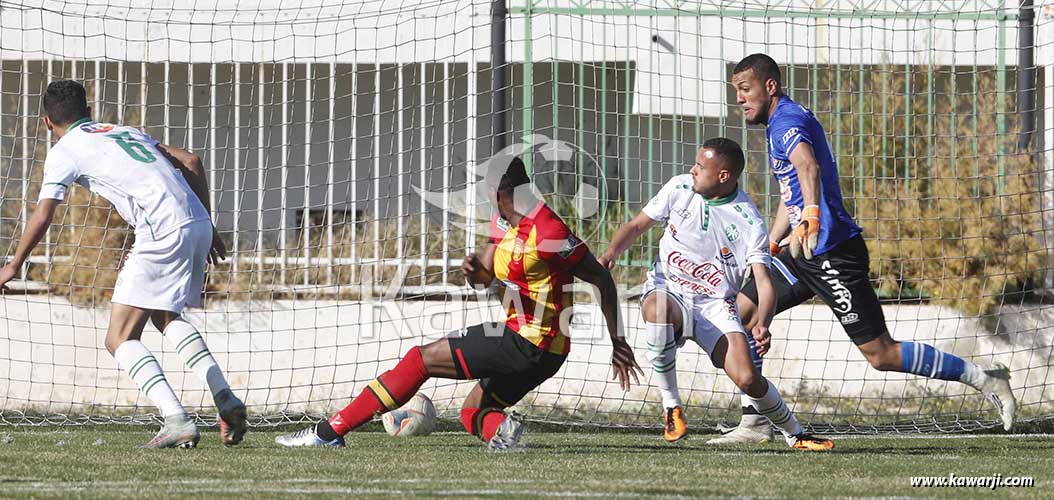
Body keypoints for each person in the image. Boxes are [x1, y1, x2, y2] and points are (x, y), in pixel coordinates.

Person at [712, 53, 1016, 444]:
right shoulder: (777, 123)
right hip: (801, 252)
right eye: (736, 90)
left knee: (882, 355)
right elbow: (793, 186)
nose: (739, 98)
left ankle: (984, 377)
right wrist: (774, 241)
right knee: (741, 311)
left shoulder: (787, 120)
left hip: (831, 253)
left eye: (745, 89)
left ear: (769, 86)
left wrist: (812, 217)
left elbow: (808, 168)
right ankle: (755, 423)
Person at [275, 157, 643, 450]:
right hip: (534, 345)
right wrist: (474, 272)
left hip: (531, 343)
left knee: (421, 359)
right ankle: (504, 433)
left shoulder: (549, 233)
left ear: (502, 191)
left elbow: (600, 278)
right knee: (473, 412)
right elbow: (486, 276)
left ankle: (328, 432)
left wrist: (618, 341)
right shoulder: (505, 223)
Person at [0, 80, 247, 448]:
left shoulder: (66, 150)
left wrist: (14, 263)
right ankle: (224, 398)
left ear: (47, 122)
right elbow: (191, 160)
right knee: (166, 316)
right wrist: (207, 226)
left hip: (161, 227)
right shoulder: (122, 131)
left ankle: (176, 419)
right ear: (87, 110)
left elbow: (43, 214)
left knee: (119, 338)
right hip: (195, 221)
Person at [599, 138, 833, 450]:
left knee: (748, 378)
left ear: (723, 176)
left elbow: (764, 281)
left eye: (700, 166)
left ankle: (796, 434)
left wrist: (763, 322)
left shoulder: (749, 221)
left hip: (716, 306)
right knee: (656, 309)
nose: (692, 170)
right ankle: (672, 407)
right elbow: (637, 225)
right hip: (671, 290)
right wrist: (611, 253)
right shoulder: (679, 188)